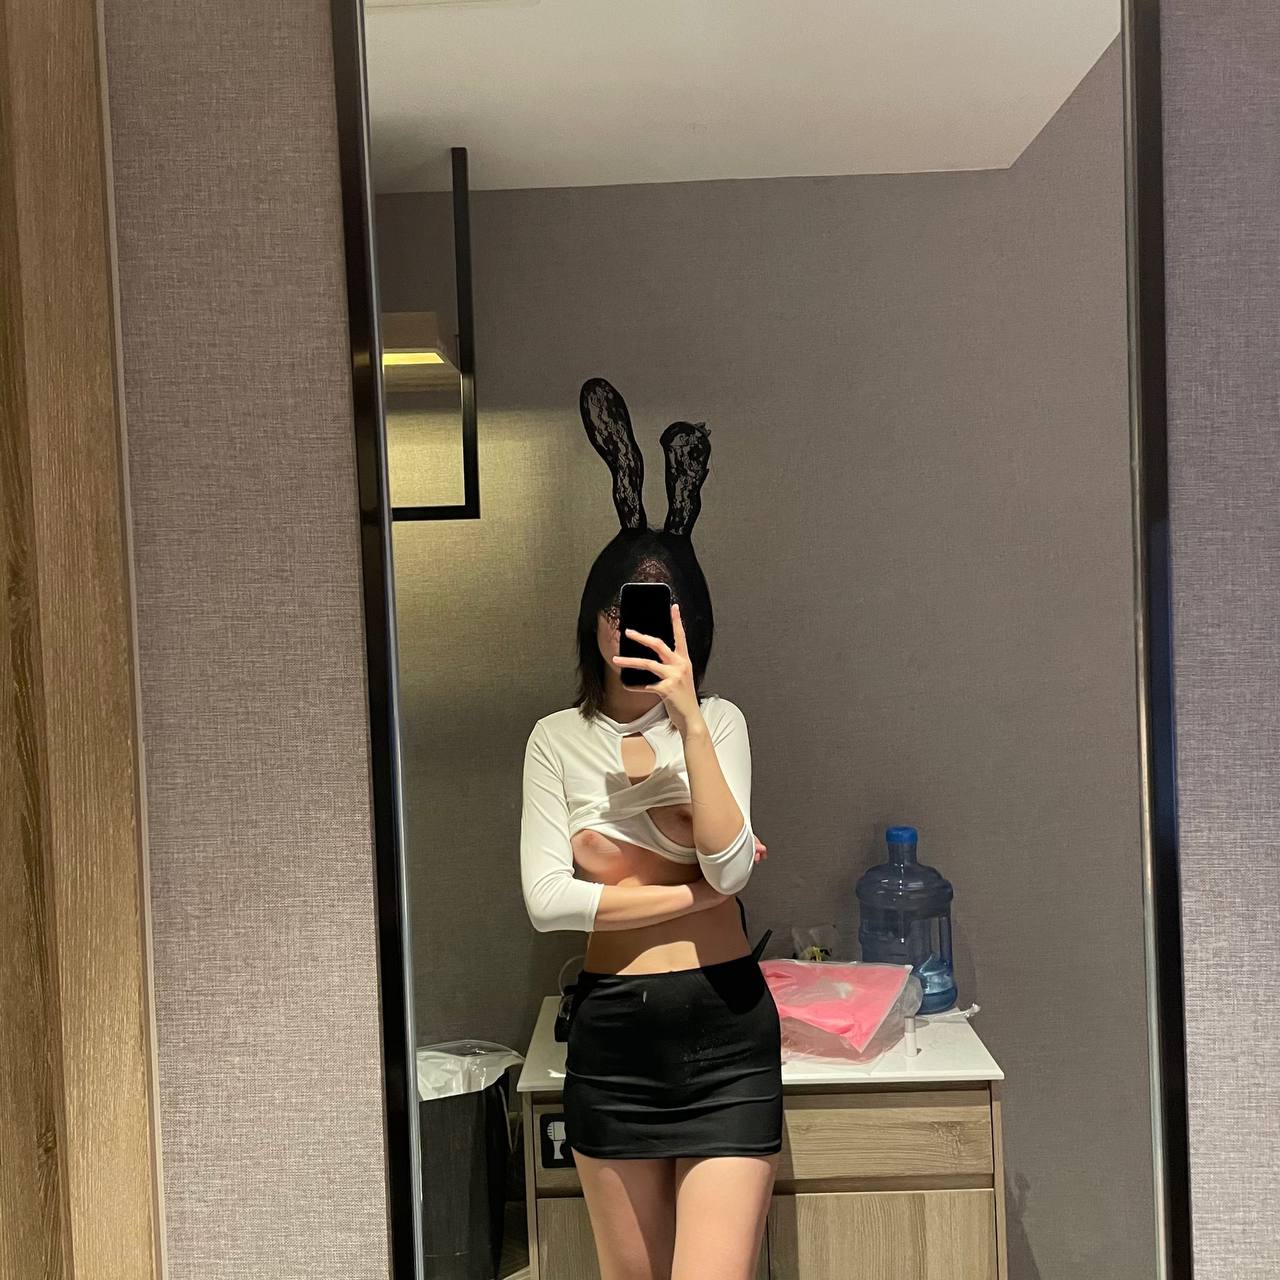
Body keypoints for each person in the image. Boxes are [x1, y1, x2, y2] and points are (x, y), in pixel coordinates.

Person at [519, 379, 783, 1280]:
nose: (628, 629)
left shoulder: (722, 723)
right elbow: (548, 902)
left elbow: (733, 871)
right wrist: (691, 891)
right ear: (592, 618)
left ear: (690, 623)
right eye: (617, 608)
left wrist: (689, 717)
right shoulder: (555, 739)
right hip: (615, 1042)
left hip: (727, 1030)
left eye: (656, 612)